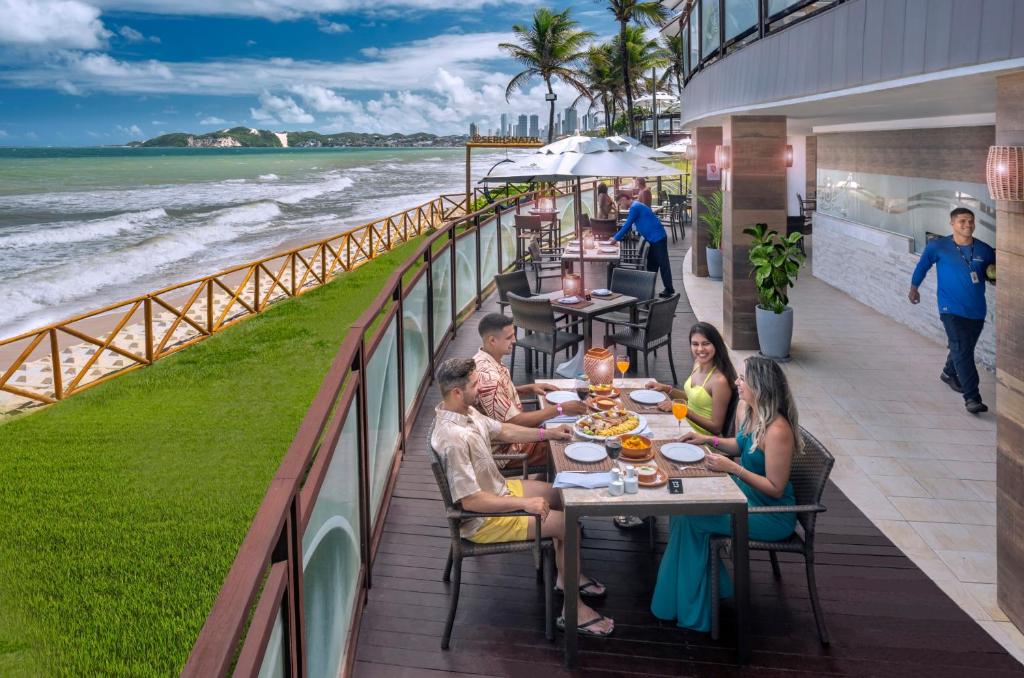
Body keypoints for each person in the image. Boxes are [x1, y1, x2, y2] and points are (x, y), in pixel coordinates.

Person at [431, 358, 615, 637]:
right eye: (475, 384)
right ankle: (573, 611)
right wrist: (524, 503)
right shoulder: (452, 438)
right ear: (457, 392)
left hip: (498, 490)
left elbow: (503, 430)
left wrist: (548, 433)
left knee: (561, 493)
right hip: (484, 519)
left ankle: (566, 577)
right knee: (569, 526)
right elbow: (471, 502)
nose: (480, 388)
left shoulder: (463, 411)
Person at [651, 356, 798, 632]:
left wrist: (734, 469)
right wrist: (708, 439)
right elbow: (739, 446)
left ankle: (692, 611)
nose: (736, 382)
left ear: (760, 385)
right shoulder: (750, 411)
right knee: (682, 506)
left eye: (743, 378)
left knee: (691, 518)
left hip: (771, 513)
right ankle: (705, 588)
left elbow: (776, 488)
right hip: (744, 495)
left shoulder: (778, 430)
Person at [908, 207, 996, 414]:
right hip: (950, 307)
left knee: (963, 348)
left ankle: (949, 372)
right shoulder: (938, 246)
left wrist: (994, 276)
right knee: (963, 350)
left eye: (971, 221)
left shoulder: (984, 250)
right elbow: (922, 266)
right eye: (962, 221)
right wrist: (914, 288)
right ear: (952, 223)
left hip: (977, 309)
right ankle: (972, 397)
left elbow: (992, 274)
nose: (968, 225)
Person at [474, 313, 587, 469]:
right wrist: (560, 409)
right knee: (573, 442)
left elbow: (497, 395)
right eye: (509, 337)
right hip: (507, 449)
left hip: (515, 435)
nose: (515, 340)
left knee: (566, 427)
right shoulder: (489, 379)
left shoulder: (483, 360)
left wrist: (527, 388)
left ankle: (545, 477)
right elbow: (513, 423)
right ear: (492, 340)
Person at [647, 321, 738, 436]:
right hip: (684, 425)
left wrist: (683, 410)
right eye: (695, 344)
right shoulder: (697, 364)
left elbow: (716, 428)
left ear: (716, 345)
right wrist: (667, 388)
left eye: (706, 343)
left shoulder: (720, 381)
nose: (700, 349)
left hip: (701, 438)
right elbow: (692, 398)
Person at [611, 198, 675, 297]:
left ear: (623, 199)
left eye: (620, 203)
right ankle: (649, 290)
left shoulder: (634, 207)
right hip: (654, 239)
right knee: (652, 266)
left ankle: (669, 289)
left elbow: (627, 225)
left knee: (663, 264)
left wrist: (615, 239)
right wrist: (616, 237)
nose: (620, 206)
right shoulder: (636, 205)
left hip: (658, 238)